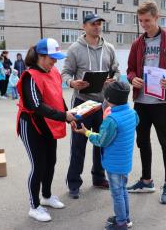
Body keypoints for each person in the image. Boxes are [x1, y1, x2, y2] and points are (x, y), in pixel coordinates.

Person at [126, 1, 166, 204]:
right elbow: (129, 70)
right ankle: (146, 180)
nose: (144, 24)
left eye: (147, 20)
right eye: (141, 21)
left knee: (165, 143)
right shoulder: (137, 43)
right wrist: (132, 78)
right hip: (141, 102)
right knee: (142, 142)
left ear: (157, 18)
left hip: (161, 102)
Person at [16, 38, 76, 222]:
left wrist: (68, 115)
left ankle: (47, 196)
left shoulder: (54, 71)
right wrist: (63, 116)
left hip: (48, 124)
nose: (55, 61)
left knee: (51, 161)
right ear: (41, 56)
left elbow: (57, 98)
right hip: (31, 124)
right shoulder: (30, 76)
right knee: (38, 165)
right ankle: (34, 206)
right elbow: (36, 106)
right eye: (52, 58)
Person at [62, 13, 120, 199]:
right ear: (83, 26)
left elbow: (117, 70)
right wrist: (72, 83)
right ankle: (74, 183)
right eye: (93, 24)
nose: (97, 27)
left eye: (99, 24)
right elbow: (65, 73)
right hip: (82, 103)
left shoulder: (109, 48)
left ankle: (98, 177)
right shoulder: (74, 49)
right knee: (78, 145)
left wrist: (114, 79)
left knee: (101, 142)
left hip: (103, 103)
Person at [73, 82, 138, 230]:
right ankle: (125, 218)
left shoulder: (111, 120)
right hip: (125, 161)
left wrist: (87, 132)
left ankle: (121, 223)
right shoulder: (132, 113)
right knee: (122, 190)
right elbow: (135, 124)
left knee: (117, 194)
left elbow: (101, 140)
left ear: (108, 99)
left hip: (114, 164)